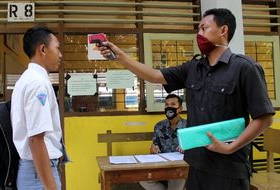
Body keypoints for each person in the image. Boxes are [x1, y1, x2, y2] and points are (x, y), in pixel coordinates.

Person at [99, 8, 275, 190]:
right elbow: (154, 75)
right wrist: (120, 56)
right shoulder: (193, 68)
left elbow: (265, 118)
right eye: (198, 29)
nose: (199, 34)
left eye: (204, 28)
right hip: (196, 167)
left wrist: (231, 147)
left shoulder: (245, 68)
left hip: (228, 170)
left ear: (223, 30)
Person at [11, 26, 69, 190]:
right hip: (38, 175)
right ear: (43, 49)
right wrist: (50, 187)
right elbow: (36, 139)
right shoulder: (37, 84)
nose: (60, 54)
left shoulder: (26, 80)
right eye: (57, 48)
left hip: (34, 172)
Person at [139, 94, 187, 190]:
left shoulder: (188, 126)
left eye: (173, 104)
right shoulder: (159, 126)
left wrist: (187, 150)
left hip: (181, 167)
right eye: (166, 105)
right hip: (162, 166)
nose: (169, 107)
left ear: (180, 109)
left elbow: (196, 151)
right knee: (142, 178)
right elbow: (155, 150)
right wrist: (153, 151)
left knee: (177, 177)